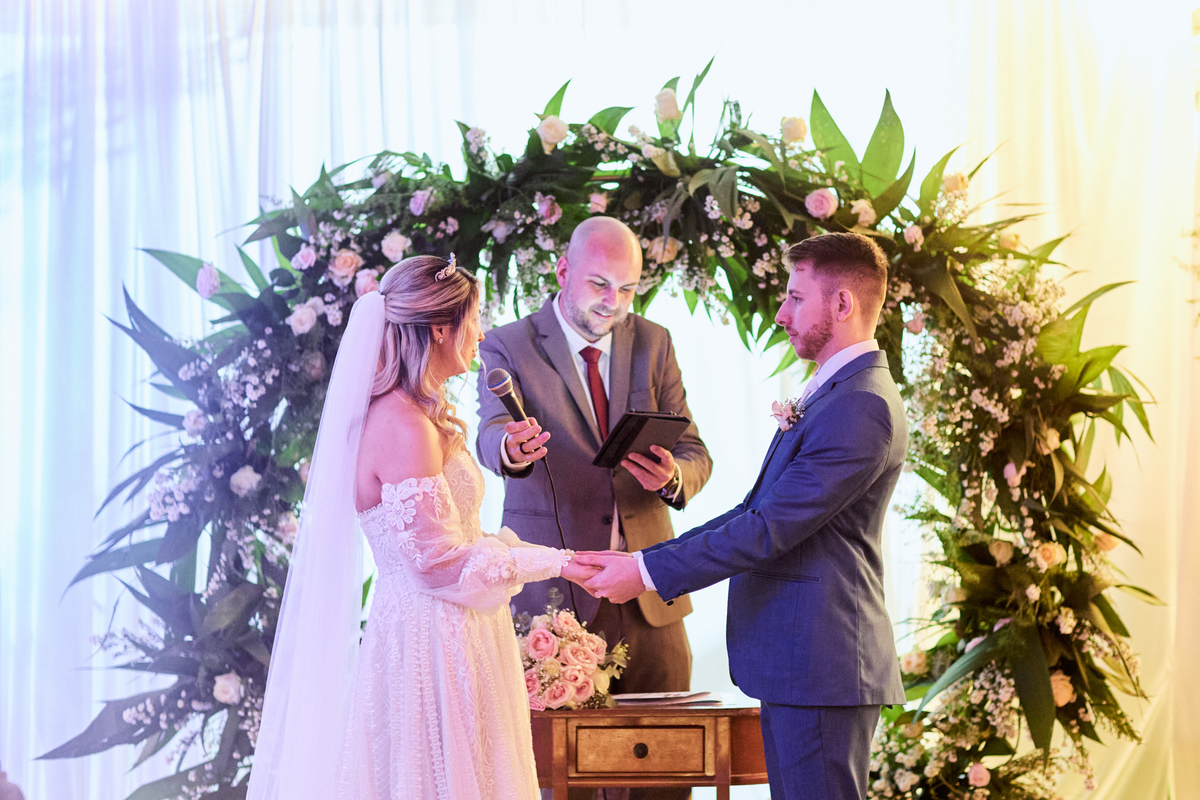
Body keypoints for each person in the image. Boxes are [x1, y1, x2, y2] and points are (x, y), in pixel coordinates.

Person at [248, 255, 597, 800]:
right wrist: (560, 562)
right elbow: (438, 564)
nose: (481, 334)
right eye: (474, 320)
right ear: (439, 329)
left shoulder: (418, 415)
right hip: (432, 643)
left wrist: (541, 555)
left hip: (459, 628)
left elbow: (459, 538)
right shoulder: (402, 425)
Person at [579, 232, 908, 800]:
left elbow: (766, 530)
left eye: (795, 298)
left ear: (843, 304)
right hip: (804, 667)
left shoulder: (862, 405)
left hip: (822, 666)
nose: (782, 314)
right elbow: (755, 511)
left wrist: (646, 574)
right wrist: (643, 560)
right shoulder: (838, 392)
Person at [476, 217, 712, 799]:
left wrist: (673, 476)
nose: (614, 302)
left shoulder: (655, 342)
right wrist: (510, 449)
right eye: (600, 284)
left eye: (628, 288)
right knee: (561, 781)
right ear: (563, 272)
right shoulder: (507, 343)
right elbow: (490, 431)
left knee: (669, 773)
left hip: (651, 594)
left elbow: (695, 453)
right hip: (552, 603)